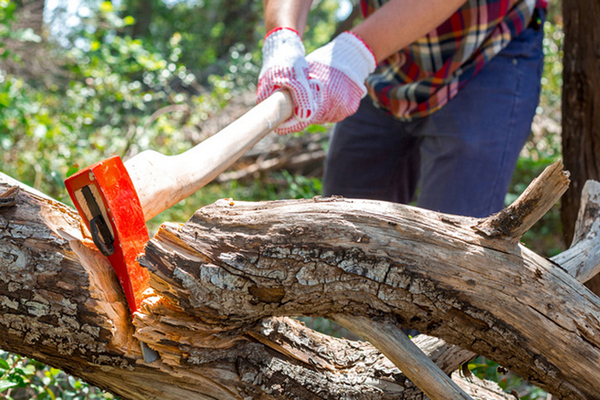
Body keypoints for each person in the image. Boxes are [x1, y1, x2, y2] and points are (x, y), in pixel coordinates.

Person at [257, 0, 547, 218]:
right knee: (344, 229)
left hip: (487, 46)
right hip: (386, 56)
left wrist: (354, 54)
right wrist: (282, 39)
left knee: (451, 245)